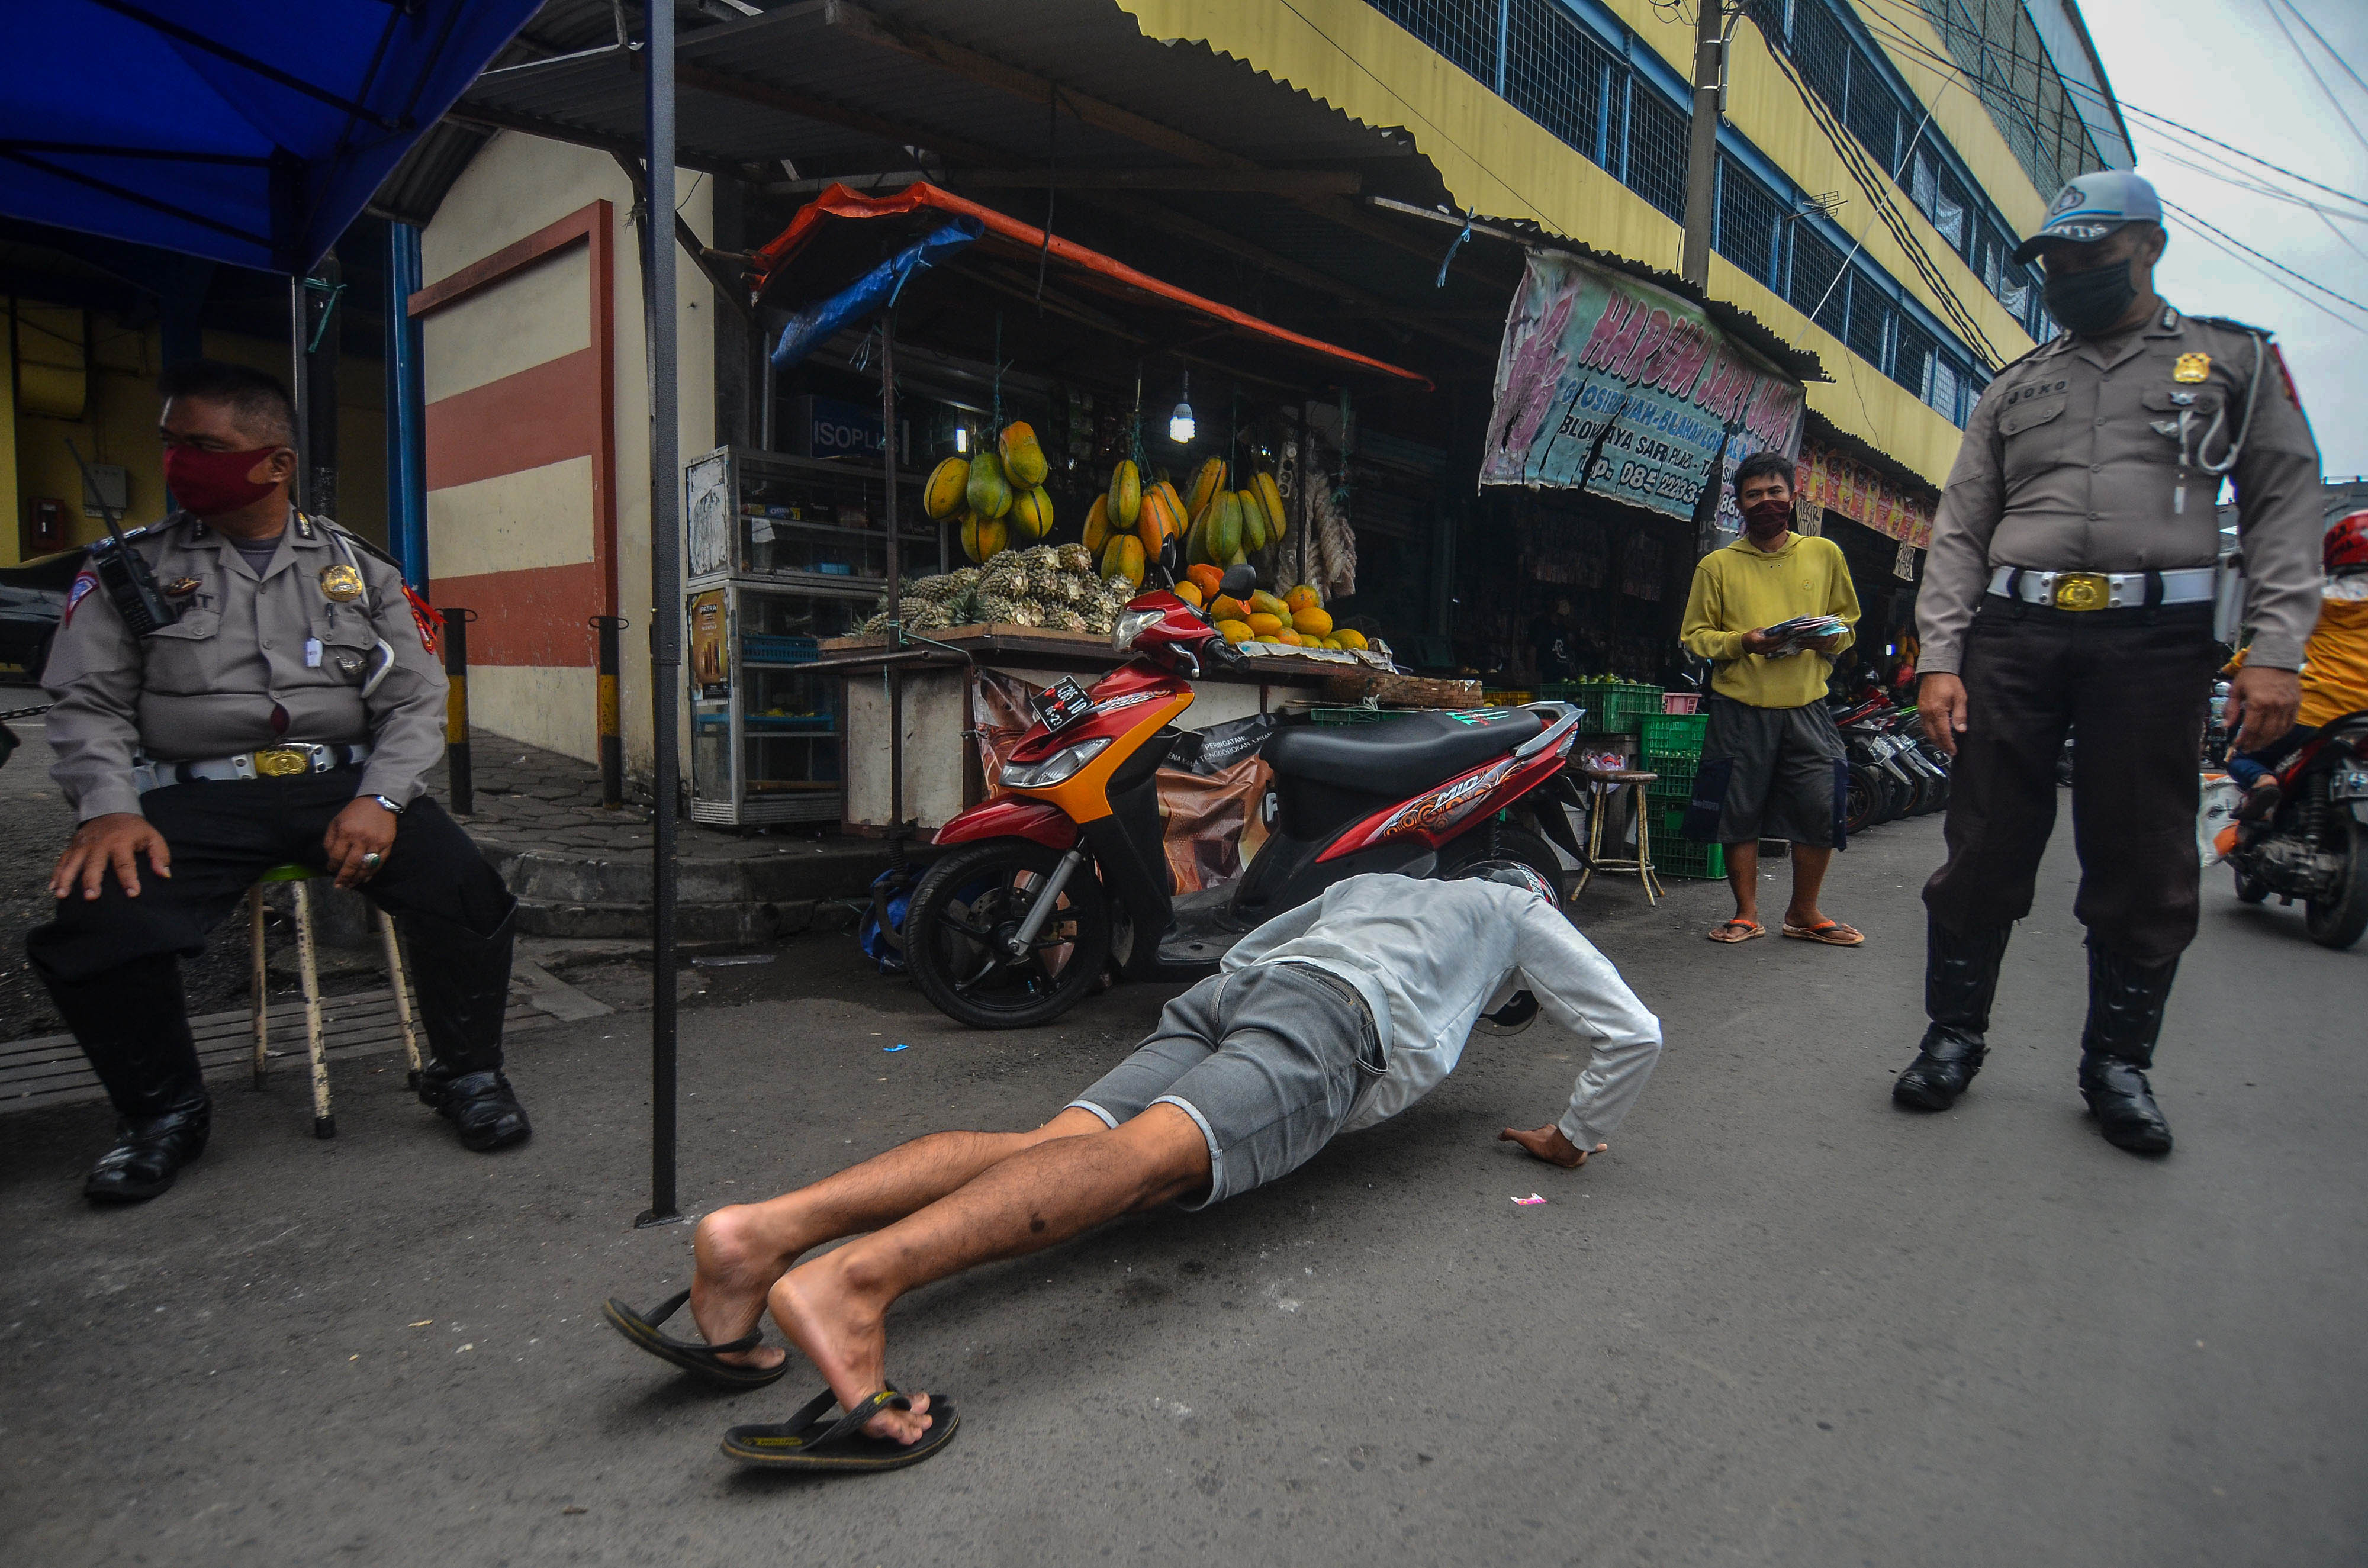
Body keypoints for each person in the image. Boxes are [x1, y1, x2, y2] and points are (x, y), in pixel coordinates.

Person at [602, 865, 1662, 1471]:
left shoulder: (1382, 879)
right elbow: (1634, 1030)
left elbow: (1253, 944)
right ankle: (851, 1281)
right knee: (1140, 1164)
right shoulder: (1522, 912)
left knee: (1048, 1147)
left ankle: (757, 1233)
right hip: (1331, 1026)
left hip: (1235, 995)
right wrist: (1573, 1134)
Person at [31, 359, 530, 1205]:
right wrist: (109, 809)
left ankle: (469, 1076)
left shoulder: (357, 567)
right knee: (100, 925)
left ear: (275, 462)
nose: (178, 461)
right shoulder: (130, 568)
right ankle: (163, 1117)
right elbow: (85, 702)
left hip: (341, 786)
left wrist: (380, 798)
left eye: (203, 444)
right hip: (192, 797)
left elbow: (413, 699)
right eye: (171, 443)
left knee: (467, 888)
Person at [1899, 171, 2322, 1154]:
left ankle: (2117, 1064)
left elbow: (2284, 504)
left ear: (2149, 247)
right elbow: (1962, 527)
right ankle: (1953, 1036)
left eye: (2092, 256)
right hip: (2016, 633)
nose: (2072, 277)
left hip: (2156, 642)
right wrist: (1939, 657)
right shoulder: (2017, 383)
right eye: (2057, 263)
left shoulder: (2234, 362)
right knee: (1985, 843)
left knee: (2141, 855)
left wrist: (2277, 650)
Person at [1678, 449, 1864, 946]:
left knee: (1820, 804)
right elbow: (1695, 635)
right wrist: (1744, 641)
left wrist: (1832, 637)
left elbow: (1848, 621)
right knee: (1737, 810)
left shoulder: (1824, 554)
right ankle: (1746, 913)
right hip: (1740, 708)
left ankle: (1804, 912)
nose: (1766, 502)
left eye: (1774, 492)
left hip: (1808, 705)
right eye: (1754, 495)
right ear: (1739, 504)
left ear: (1792, 496)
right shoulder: (1716, 566)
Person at [2225, 510, 2368, 817]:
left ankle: (2263, 783)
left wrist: (2232, 668)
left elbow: (2272, 646)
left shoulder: (2317, 601)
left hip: (2314, 718)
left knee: (2241, 754)